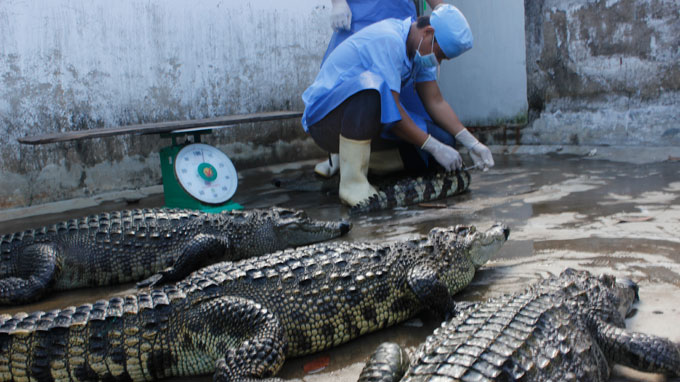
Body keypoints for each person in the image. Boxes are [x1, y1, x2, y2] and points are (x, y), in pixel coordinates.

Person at [302, 4, 494, 207]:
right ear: (428, 32)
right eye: (439, 54)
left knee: (445, 142)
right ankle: (352, 184)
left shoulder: (420, 50)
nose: (437, 61)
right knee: (372, 91)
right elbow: (393, 114)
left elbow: (435, 102)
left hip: (369, 121)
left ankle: (369, 164)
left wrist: (472, 143)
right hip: (326, 121)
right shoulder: (389, 39)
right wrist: (433, 146)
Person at [315, 0, 444, 177]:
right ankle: (340, 156)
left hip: (400, 18)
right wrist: (338, 2)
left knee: (401, 102)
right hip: (360, 17)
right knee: (359, 90)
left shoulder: (414, 37)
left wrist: (444, 14)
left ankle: (383, 161)